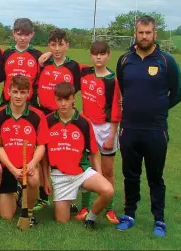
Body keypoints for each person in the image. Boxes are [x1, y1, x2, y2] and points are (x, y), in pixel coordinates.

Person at [115, 15, 181, 238]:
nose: (144, 36)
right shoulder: (125, 60)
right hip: (129, 129)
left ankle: (159, 219)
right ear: (135, 34)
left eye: (148, 32)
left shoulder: (166, 61)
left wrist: (157, 110)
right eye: (141, 32)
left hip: (156, 130)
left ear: (155, 34)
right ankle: (129, 214)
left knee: (155, 177)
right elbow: (124, 88)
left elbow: (177, 94)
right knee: (130, 175)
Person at [42, 82, 114, 230]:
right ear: (55, 99)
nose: (63, 104)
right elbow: (43, 156)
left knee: (108, 190)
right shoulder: (47, 121)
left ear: (74, 98)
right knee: (62, 222)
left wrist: (99, 174)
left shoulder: (84, 122)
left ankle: (91, 218)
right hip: (59, 176)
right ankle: (68, 203)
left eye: (67, 99)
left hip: (82, 172)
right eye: (59, 100)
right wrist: (45, 179)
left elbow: (94, 153)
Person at [0, 75, 48, 226]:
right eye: (15, 92)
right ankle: (15, 192)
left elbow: (41, 146)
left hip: (27, 166)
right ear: (8, 92)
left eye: (22, 92)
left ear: (28, 94)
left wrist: (33, 163)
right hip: (7, 167)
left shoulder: (38, 116)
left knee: (33, 179)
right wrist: (13, 169)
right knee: (7, 216)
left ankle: (29, 212)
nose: (18, 96)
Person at [35, 28, 81, 210]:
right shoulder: (43, 64)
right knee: (42, 155)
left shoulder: (73, 67)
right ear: (49, 46)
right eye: (53, 45)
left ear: (67, 45)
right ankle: (43, 196)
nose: (57, 48)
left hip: (64, 117)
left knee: (66, 154)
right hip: (45, 115)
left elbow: (74, 91)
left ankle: (69, 199)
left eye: (61, 44)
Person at [77, 40, 121, 224]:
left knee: (107, 170)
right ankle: (85, 207)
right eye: (95, 54)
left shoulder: (112, 80)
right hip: (88, 127)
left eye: (102, 54)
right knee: (88, 169)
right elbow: (66, 61)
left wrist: (111, 135)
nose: (98, 57)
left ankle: (109, 209)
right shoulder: (85, 72)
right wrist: (45, 55)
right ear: (91, 55)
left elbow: (116, 112)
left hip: (106, 128)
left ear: (108, 55)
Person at [0, 18, 42, 107]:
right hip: (7, 101)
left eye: (26, 35)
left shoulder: (38, 55)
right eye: (19, 34)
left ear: (32, 34)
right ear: (13, 33)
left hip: (30, 102)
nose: (22, 38)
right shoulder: (6, 53)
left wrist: (50, 53)